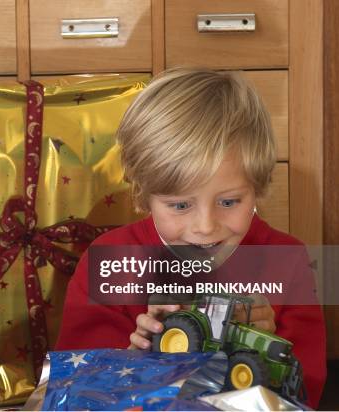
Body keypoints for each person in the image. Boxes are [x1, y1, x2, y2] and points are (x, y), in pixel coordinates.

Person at [55, 68, 326, 407]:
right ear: (143, 195)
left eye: (229, 201)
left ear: (257, 187)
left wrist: (267, 342)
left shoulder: (288, 260)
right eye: (180, 205)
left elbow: (308, 393)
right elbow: (78, 391)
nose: (206, 226)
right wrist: (134, 356)